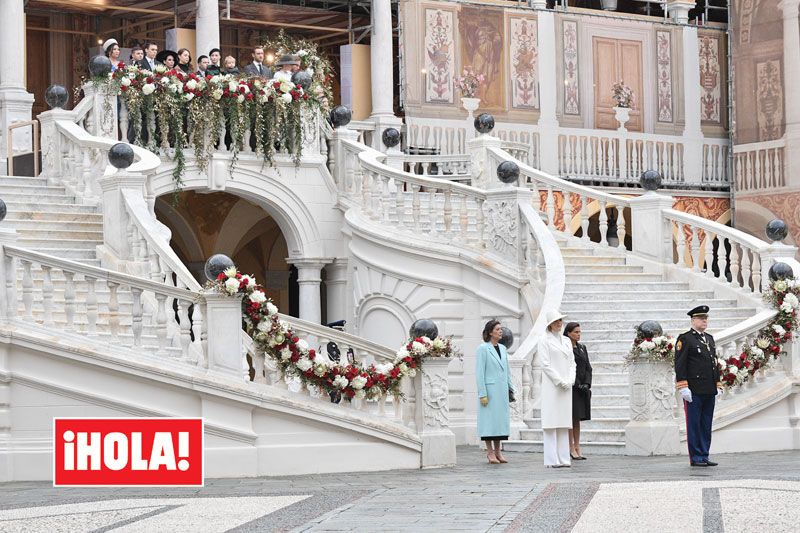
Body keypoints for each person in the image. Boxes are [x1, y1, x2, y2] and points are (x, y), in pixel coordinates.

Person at [675, 305, 723, 467]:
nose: (704, 321)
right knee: (694, 424)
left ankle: (704, 454)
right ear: (693, 320)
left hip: (709, 388)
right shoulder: (685, 339)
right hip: (694, 389)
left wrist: (718, 383)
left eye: (706, 318)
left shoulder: (709, 338)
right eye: (701, 318)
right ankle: (695, 457)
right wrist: (682, 386)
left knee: (706, 423)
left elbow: (714, 363)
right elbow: (680, 364)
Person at [538, 309, 576, 468]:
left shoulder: (567, 341)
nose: (559, 323)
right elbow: (545, 364)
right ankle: (551, 460)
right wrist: (559, 381)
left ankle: (564, 458)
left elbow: (572, 362)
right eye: (556, 321)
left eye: (560, 321)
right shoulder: (544, 340)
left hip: (566, 387)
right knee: (551, 422)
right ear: (550, 324)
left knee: (563, 421)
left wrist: (570, 379)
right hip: (552, 386)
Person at [476, 319, 515, 464]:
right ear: (490, 332)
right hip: (489, 391)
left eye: (501, 329)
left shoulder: (503, 349)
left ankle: (498, 452)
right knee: (488, 422)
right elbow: (479, 372)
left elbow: (507, 371)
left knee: (499, 422)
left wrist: (511, 388)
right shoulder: (482, 349)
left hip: (502, 391)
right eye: (498, 329)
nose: (501, 331)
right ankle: (490, 452)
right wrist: (482, 393)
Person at [564, 322, 591, 460]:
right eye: (576, 332)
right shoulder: (566, 348)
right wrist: (577, 383)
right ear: (568, 333)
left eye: (579, 332)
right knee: (571, 418)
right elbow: (568, 368)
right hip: (572, 388)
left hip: (583, 389)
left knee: (578, 419)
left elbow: (588, 367)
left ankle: (578, 445)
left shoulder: (582, 348)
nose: (578, 334)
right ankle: (570, 447)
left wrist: (586, 383)